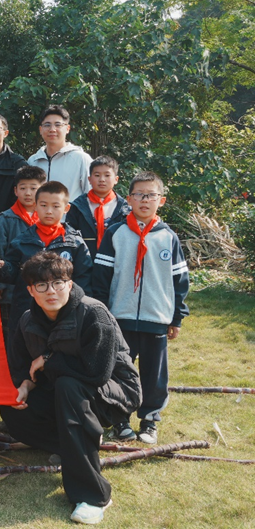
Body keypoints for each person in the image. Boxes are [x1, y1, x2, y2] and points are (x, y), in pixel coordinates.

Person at [0, 252, 141, 525]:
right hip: (65, 393)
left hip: (114, 393)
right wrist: (25, 386)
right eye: (42, 285)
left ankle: (94, 497)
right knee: (12, 408)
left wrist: (49, 360)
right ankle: (74, 445)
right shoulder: (27, 320)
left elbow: (97, 373)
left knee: (68, 385)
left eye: (58, 283)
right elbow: (22, 367)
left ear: (70, 284)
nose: (51, 291)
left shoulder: (93, 313)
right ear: (31, 290)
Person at [93, 172, 189, 445]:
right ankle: (119, 419)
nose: (145, 200)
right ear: (129, 199)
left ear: (161, 200)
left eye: (151, 195)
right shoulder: (116, 233)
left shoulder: (168, 237)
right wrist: (103, 314)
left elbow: (180, 280)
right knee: (119, 370)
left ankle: (149, 420)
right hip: (119, 318)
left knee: (154, 374)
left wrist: (177, 317)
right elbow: (101, 278)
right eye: (139, 195)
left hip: (156, 317)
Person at [0, 181, 93, 337]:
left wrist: (79, 309)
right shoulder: (22, 241)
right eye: (43, 205)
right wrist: (3, 268)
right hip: (26, 310)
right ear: (35, 206)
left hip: (64, 313)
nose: (49, 211)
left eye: (55, 206)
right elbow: (12, 274)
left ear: (66, 208)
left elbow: (83, 279)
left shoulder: (75, 243)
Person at [0, 166, 47, 339]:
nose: (28, 193)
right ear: (15, 191)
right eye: (23, 188)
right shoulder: (5, 219)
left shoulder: (48, 217)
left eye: (33, 188)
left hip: (45, 290)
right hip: (12, 292)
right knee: (13, 334)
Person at [65, 156, 131, 258]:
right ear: (89, 179)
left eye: (107, 175)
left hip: (116, 261)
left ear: (116, 179)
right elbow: (70, 236)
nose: (102, 179)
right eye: (97, 175)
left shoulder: (125, 209)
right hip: (84, 261)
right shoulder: (77, 206)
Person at [27, 105, 92, 202]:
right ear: (40, 130)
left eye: (58, 125)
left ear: (67, 128)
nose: (52, 129)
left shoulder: (81, 159)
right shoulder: (33, 161)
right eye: (47, 125)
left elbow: (91, 195)